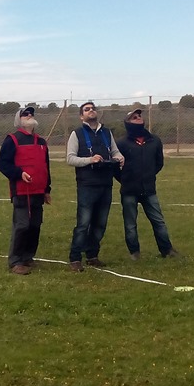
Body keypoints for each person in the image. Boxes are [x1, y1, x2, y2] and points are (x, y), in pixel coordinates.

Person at [66, 101, 124, 271]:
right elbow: (70, 158)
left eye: (93, 108)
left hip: (106, 184)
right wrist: (90, 160)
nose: (91, 111)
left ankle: (92, 255)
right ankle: (75, 258)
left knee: (100, 223)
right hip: (87, 185)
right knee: (83, 224)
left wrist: (119, 157)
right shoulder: (76, 134)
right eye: (87, 109)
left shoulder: (106, 132)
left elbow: (114, 151)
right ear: (81, 116)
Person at [115, 108, 179, 260]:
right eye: (134, 117)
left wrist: (148, 176)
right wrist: (126, 179)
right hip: (129, 190)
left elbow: (159, 163)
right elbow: (115, 168)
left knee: (158, 221)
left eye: (139, 116)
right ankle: (134, 253)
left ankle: (167, 250)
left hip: (149, 190)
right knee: (130, 224)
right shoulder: (121, 143)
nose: (138, 118)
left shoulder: (154, 140)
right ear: (127, 123)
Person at [0, 105, 51, 275]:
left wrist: (47, 189)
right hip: (21, 191)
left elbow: (46, 167)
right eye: (25, 114)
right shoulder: (12, 140)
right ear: (18, 119)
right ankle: (15, 261)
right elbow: (3, 164)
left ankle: (28, 257)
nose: (29, 115)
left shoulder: (41, 142)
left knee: (35, 225)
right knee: (22, 225)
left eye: (31, 113)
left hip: (38, 191)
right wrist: (19, 174)